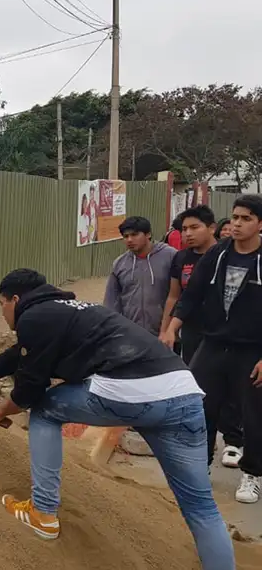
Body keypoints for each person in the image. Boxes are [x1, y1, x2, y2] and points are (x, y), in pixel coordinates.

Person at [0, 268, 234, 569]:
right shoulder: (67, 312)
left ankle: (43, 513)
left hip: (130, 390)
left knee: (45, 409)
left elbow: (29, 390)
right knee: (201, 507)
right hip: (183, 392)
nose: (2, 313)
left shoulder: (34, 317)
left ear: (15, 299)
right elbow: (8, 361)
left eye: (1, 304)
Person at [162, 194, 262, 504]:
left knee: (254, 413)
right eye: (235, 217)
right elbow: (190, 296)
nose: (237, 223)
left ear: (260, 224)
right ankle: (198, 467)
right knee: (197, 403)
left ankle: (252, 474)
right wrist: (171, 329)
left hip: (252, 349)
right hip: (214, 342)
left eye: (246, 218)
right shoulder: (218, 254)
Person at [159, 205, 244, 468]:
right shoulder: (182, 258)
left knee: (233, 388)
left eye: (194, 227)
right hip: (195, 331)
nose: (188, 234)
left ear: (211, 228)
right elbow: (179, 296)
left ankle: (233, 440)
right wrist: (167, 329)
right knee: (199, 388)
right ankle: (201, 451)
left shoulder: (229, 255)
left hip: (231, 333)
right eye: (184, 229)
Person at [104, 215, 176, 335]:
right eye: (126, 236)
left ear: (148, 234)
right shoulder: (120, 263)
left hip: (165, 332)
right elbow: (111, 301)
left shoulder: (171, 256)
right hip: (132, 334)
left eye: (134, 234)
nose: (129, 240)